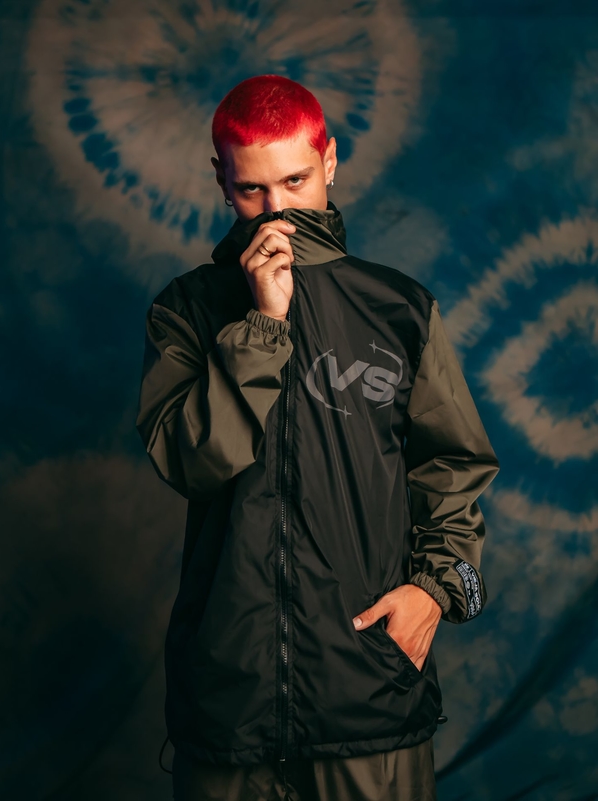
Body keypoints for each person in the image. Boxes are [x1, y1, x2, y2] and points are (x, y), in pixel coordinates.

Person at [136, 74, 500, 801]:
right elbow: (192, 463)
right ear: (221, 181)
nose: (277, 211)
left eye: (295, 181)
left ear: (329, 162)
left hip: (369, 696)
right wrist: (263, 327)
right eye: (252, 189)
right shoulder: (187, 310)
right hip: (228, 704)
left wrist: (436, 589)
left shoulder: (399, 309)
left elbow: (455, 464)